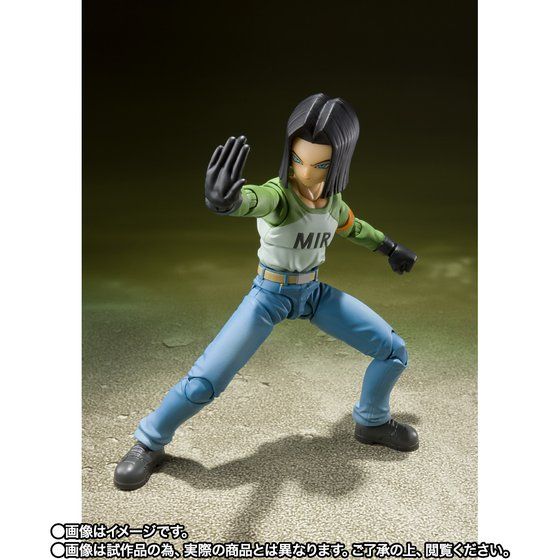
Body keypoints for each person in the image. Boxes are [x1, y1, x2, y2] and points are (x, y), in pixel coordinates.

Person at [114, 93, 418, 491]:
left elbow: (353, 227)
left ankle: (372, 422)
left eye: (320, 164)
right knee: (205, 381)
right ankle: (149, 442)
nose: (305, 172)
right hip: (269, 296)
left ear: (340, 162)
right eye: (298, 159)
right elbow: (255, 200)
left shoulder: (332, 203)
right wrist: (228, 202)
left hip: (312, 294)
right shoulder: (280, 196)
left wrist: (389, 247)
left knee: (393, 351)